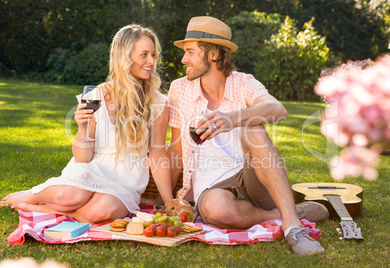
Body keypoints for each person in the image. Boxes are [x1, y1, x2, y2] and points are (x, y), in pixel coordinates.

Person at [166, 16, 329, 255]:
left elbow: (277, 109)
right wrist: (166, 198)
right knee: (214, 211)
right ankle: (290, 213)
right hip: (213, 189)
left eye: (190, 52)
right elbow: (176, 147)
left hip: (253, 176)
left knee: (254, 125)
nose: (183, 59)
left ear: (212, 54)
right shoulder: (179, 88)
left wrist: (232, 119)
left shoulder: (243, 83)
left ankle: (294, 228)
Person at [0, 24, 172, 224]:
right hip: (93, 169)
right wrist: (83, 128)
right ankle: (33, 195)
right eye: (144, 55)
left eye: (153, 54)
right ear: (124, 58)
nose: (151, 61)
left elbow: (158, 153)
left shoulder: (158, 103)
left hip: (126, 180)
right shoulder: (95, 96)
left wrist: (169, 202)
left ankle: (43, 209)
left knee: (99, 213)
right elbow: (83, 157)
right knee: (69, 197)